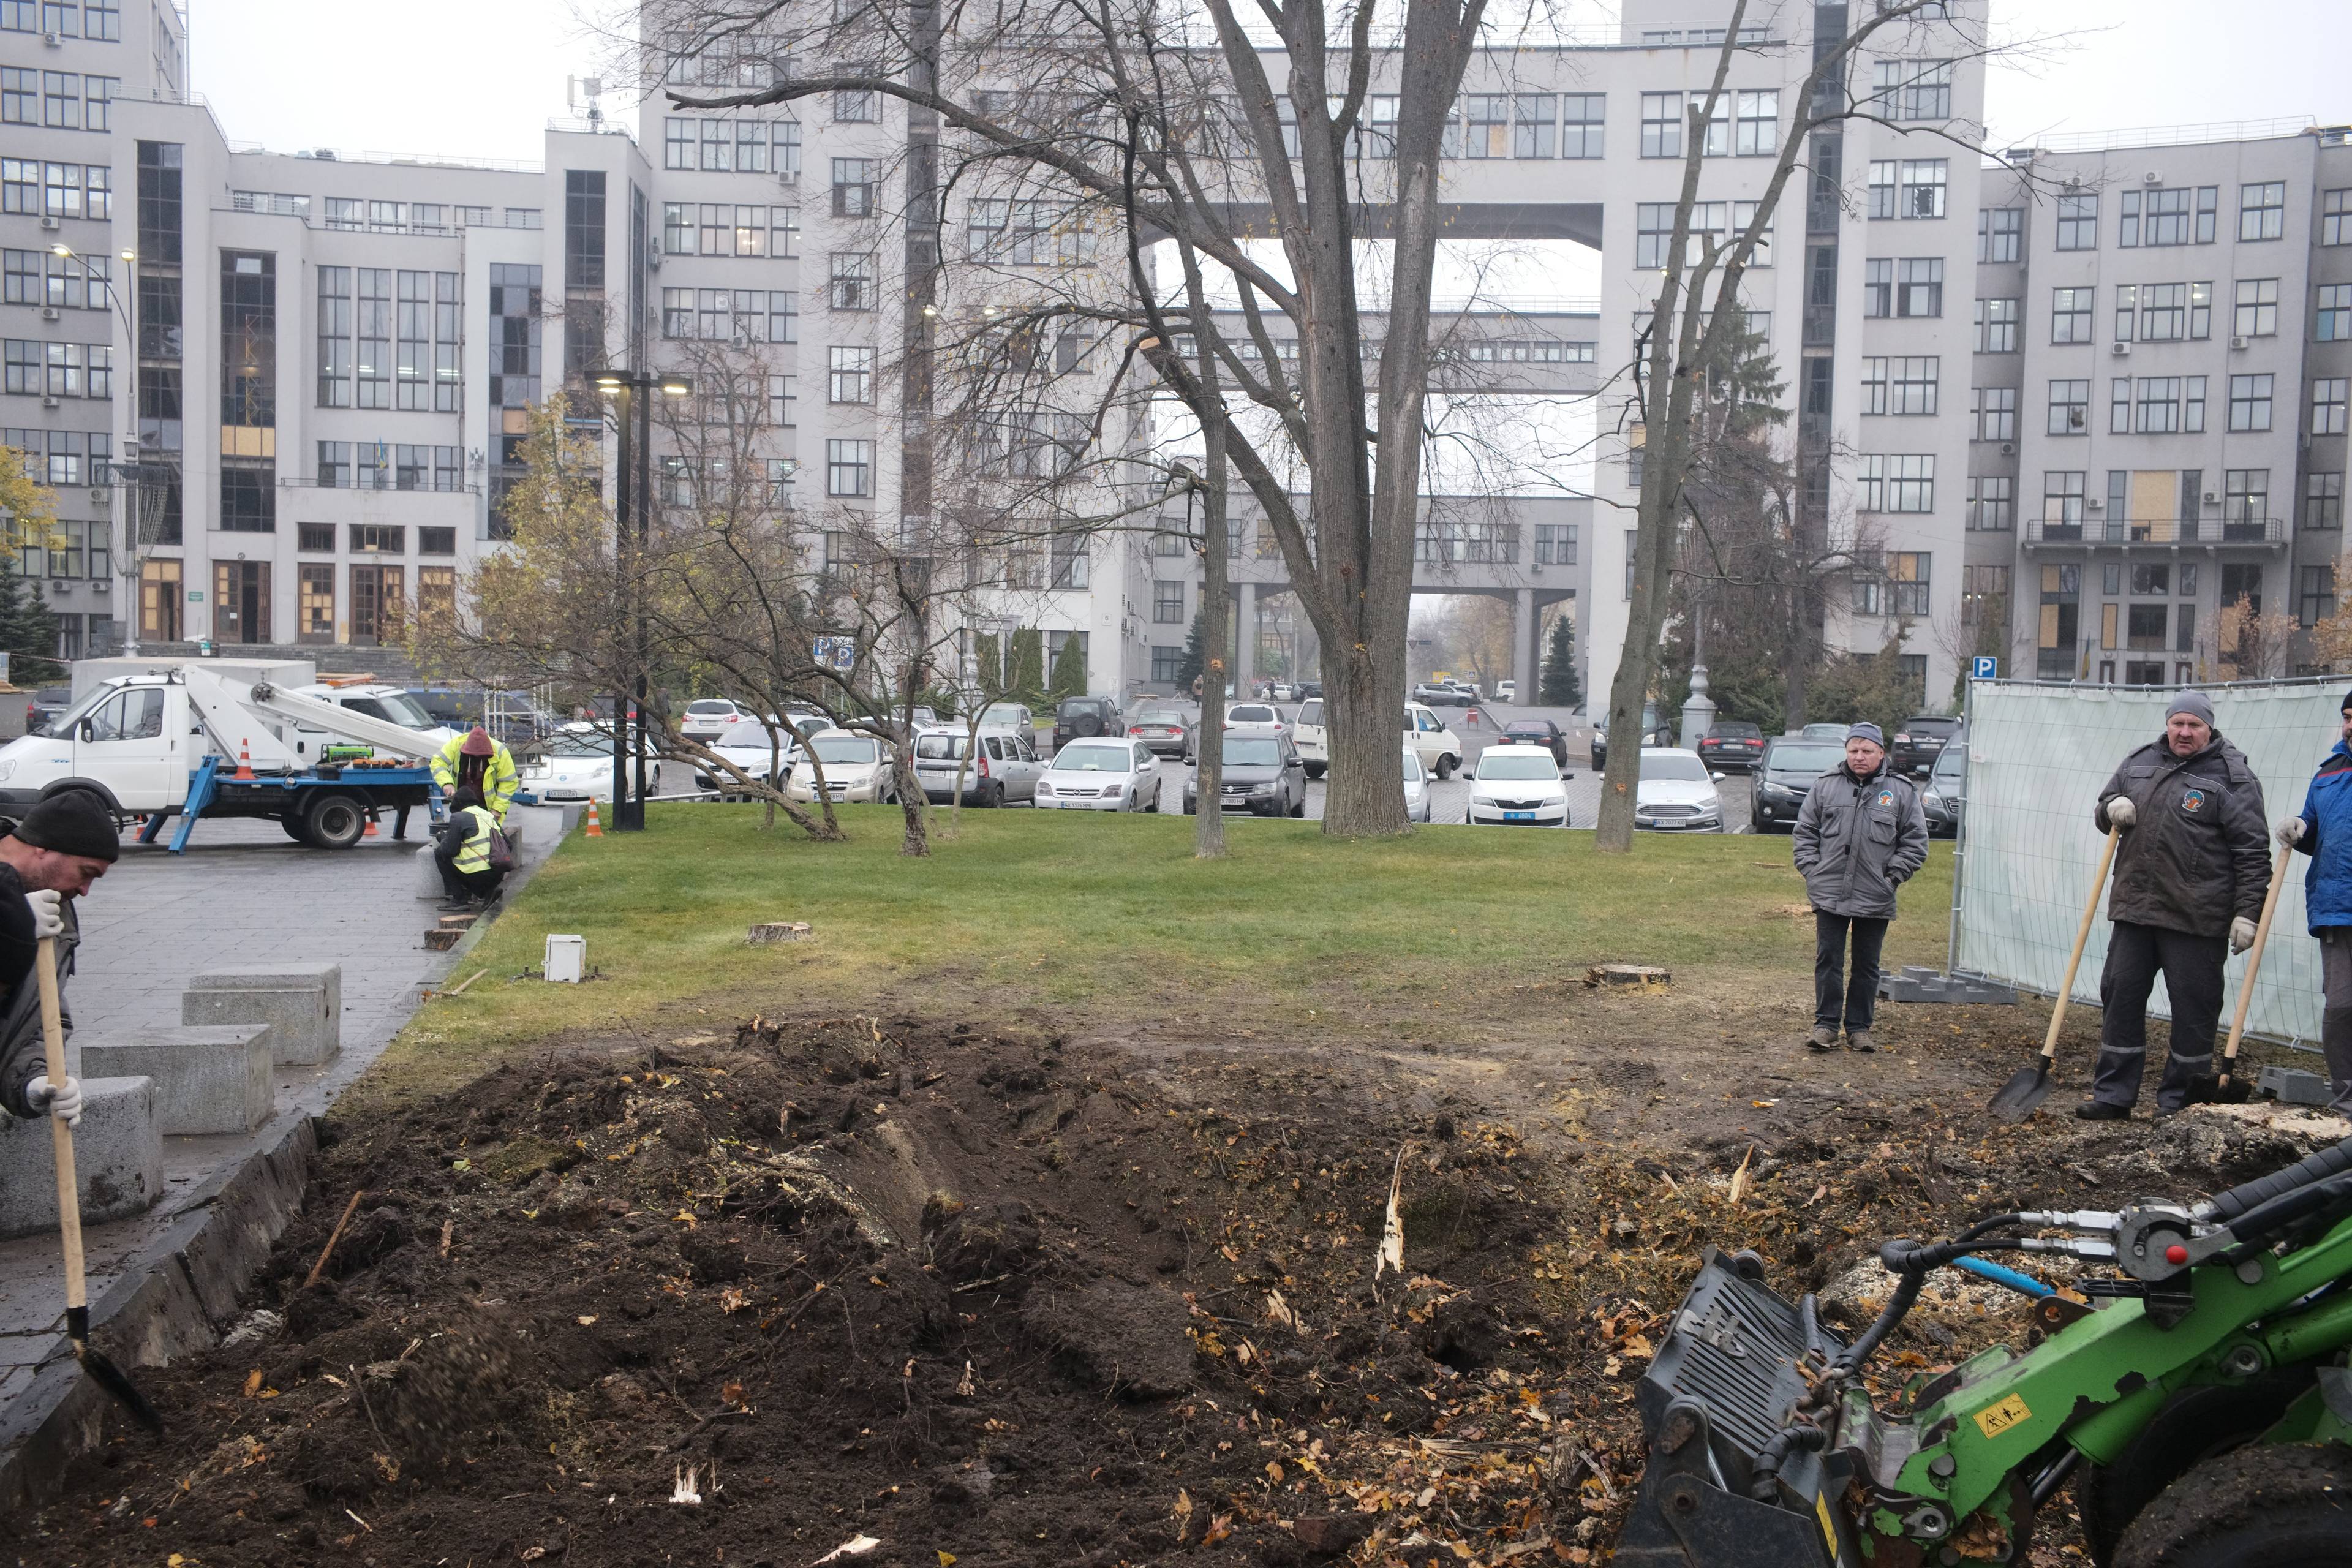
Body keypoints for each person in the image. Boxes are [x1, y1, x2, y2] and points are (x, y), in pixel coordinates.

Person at [2080, 691, 2270, 1120]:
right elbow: (2102, 811)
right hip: (2135, 910)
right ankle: (2113, 1095)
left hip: (2197, 919)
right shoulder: (2139, 762)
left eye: (2194, 725)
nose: (2184, 732)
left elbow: (2253, 853)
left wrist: (2247, 912)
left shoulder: (2233, 778)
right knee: (2120, 997)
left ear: (2209, 728)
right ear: (2168, 724)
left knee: (2194, 1012)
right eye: (2178, 723)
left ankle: (2180, 1103)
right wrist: (2113, 807)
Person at [1793, 722, 1929, 1054]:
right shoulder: (1826, 786)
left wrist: (1892, 878)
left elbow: (1915, 842)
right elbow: (1805, 833)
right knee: (1828, 960)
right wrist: (1813, 871)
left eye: (1867, 751)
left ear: (1881, 753)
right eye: (1853, 750)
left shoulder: (1901, 791)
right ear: (1846, 752)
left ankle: (1859, 1029)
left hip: (1876, 893)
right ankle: (1825, 1026)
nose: (1859, 757)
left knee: (1867, 965)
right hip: (1830, 892)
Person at [0, 791, 121, 1133]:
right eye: (86, 872)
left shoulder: (55, 914)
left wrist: (35, 1080)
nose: (85, 890)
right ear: (43, 847)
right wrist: (13, 925)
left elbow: (40, 1022)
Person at [2275, 688, 2352, 1114]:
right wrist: (2300, 827)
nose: (2351, 725)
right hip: (2338, 908)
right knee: (2341, 1006)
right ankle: (2347, 1101)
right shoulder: (2328, 772)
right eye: (2347, 716)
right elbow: (2318, 828)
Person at [433, 784, 507, 913]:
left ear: (457, 804)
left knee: (440, 854)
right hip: (498, 873)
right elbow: (508, 844)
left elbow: (449, 851)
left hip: (478, 874)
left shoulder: (459, 817)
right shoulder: (488, 815)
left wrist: (443, 837)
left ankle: (459, 899)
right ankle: (488, 891)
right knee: (472, 860)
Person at [430, 725, 518, 825]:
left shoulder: (500, 752)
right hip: (461, 807)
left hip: (488, 809)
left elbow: (509, 782)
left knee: (486, 838)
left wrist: (498, 809)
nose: (476, 757)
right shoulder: (456, 744)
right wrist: (447, 783)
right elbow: (438, 761)